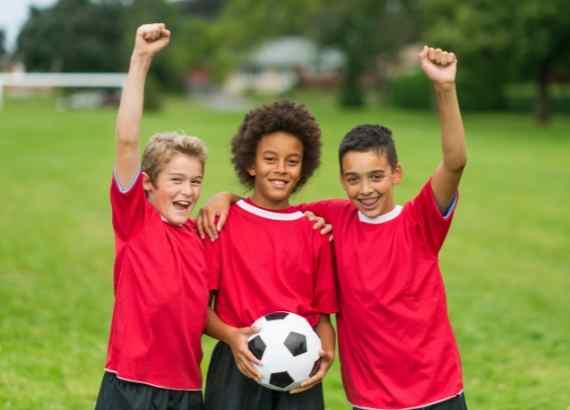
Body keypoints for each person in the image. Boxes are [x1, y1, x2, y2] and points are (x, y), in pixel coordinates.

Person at [198, 46, 469, 410]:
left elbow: (455, 162)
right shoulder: (333, 218)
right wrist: (226, 197)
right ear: (342, 180)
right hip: (369, 399)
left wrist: (444, 88)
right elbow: (272, 209)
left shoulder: (418, 222)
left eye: (376, 177)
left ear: (396, 174)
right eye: (353, 179)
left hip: (434, 391)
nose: (366, 189)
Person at [95, 23, 208, 410]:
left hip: (188, 391)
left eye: (196, 181)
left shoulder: (202, 236)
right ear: (147, 185)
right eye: (176, 180)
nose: (188, 191)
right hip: (130, 386)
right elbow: (127, 140)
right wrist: (141, 59)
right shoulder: (135, 222)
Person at [203, 101, 338, 410]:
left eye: (292, 161)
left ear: (304, 168)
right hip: (236, 366)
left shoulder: (315, 233)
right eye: (270, 159)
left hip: (300, 368)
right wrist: (231, 337)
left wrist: (327, 346)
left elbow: (323, 318)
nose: (280, 169)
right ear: (251, 164)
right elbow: (199, 309)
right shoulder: (221, 224)